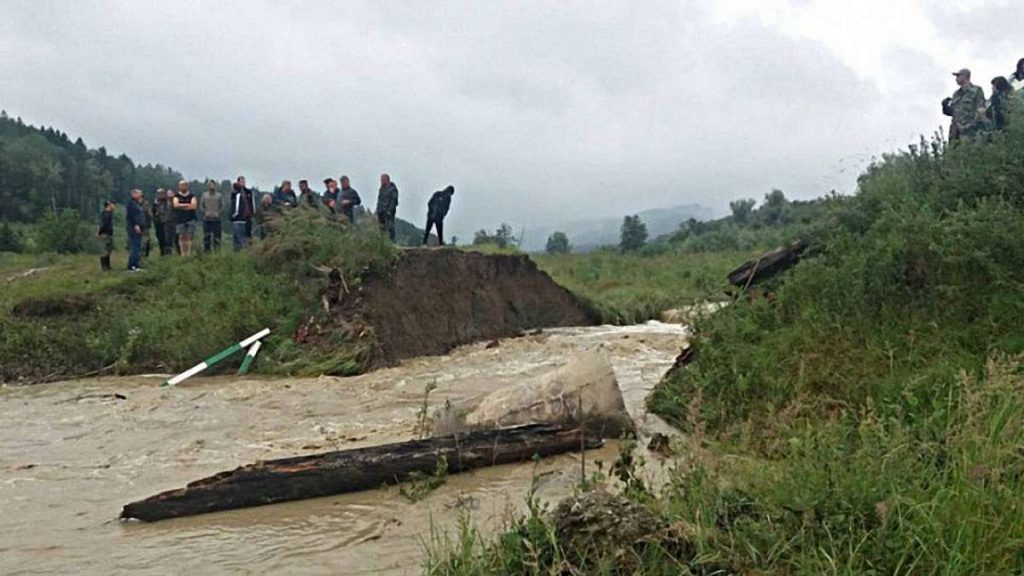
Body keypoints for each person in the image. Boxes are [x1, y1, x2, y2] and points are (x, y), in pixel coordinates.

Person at [942, 68, 986, 141]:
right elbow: (952, 112)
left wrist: (971, 126)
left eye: (958, 76)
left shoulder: (976, 90)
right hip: (955, 132)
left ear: (964, 76)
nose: (956, 79)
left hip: (970, 132)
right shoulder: (956, 94)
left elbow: (980, 110)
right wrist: (944, 106)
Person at [230, 176, 257, 250]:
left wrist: (253, 213)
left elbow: (252, 203)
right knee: (238, 237)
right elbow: (234, 205)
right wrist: (234, 215)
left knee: (248, 236)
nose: (243, 183)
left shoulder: (249, 192)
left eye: (244, 181)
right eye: (241, 182)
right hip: (239, 218)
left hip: (248, 218)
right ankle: (238, 251)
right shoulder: (235, 193)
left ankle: (248, 250)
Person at [172, 180, 198, 256]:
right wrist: (187, 205)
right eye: (181, 185)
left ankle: (188, 253)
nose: (182, 186)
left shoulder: (192, 196)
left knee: (189, 236)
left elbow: (194, 206)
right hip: (180, 219)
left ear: (187, 186)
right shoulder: (176, 196)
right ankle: (183, 253)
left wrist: (181, 205)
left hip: (190, 218)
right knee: (181, 236)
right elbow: (176, 205)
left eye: (184, 185)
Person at [126, 189, 146, 272]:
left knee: (137, 246)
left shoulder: (137, 204)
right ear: (134, 194)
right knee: (135, 247)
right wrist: (136, 225)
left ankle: (136, 264)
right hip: (134, 228)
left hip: (139, 227)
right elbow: (131, 216)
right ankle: (132, 265)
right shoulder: (132, 204)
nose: (141, 195)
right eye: (139, 194)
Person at [200, 180, 224, 252]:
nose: (211, 186)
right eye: (210, 185)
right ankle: (207, 252)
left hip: (217, 219)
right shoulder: (204, 195)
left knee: (217, 237)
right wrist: (205, 212)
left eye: (213, 185)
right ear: (208, 186)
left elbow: (223, 206)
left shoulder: (219, 195)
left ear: (215, 186)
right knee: (206, 236)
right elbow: (201, 206)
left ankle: (217, 251)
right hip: (207, 219)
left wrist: (218, 212)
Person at [376, 173, 399, 241]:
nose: (382, 181)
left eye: (383, 179)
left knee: (390, 226)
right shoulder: (381, 189)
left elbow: (394, 201)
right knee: (381, 228)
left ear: (387, 180)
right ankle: (382, 242)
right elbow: (379, 200)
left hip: (388, 211)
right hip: (381, 211)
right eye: (381, 180)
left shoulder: (392, 189)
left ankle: (392, 241)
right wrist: (378, 209)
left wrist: (389, 210)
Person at [97, 200, 115, 271]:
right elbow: (103, 224)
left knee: (108, 250)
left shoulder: (109, 213)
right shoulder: (105, 214)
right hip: (104, 234)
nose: (114, 206)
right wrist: (99, 232)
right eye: (112, 204)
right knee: (104, 250)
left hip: (109, 234)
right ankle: (104, 267)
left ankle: (107, 266)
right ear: (109, 205)